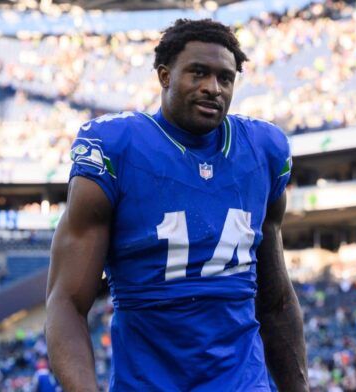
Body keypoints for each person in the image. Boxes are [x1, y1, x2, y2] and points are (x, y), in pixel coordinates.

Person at [46, 18, 308, 391]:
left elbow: (276, 301)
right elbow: (67, 302)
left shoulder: (263, 150)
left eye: (225, 78)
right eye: (198, 73)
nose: (212, 88)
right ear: (165, 76)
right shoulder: (116, 147)